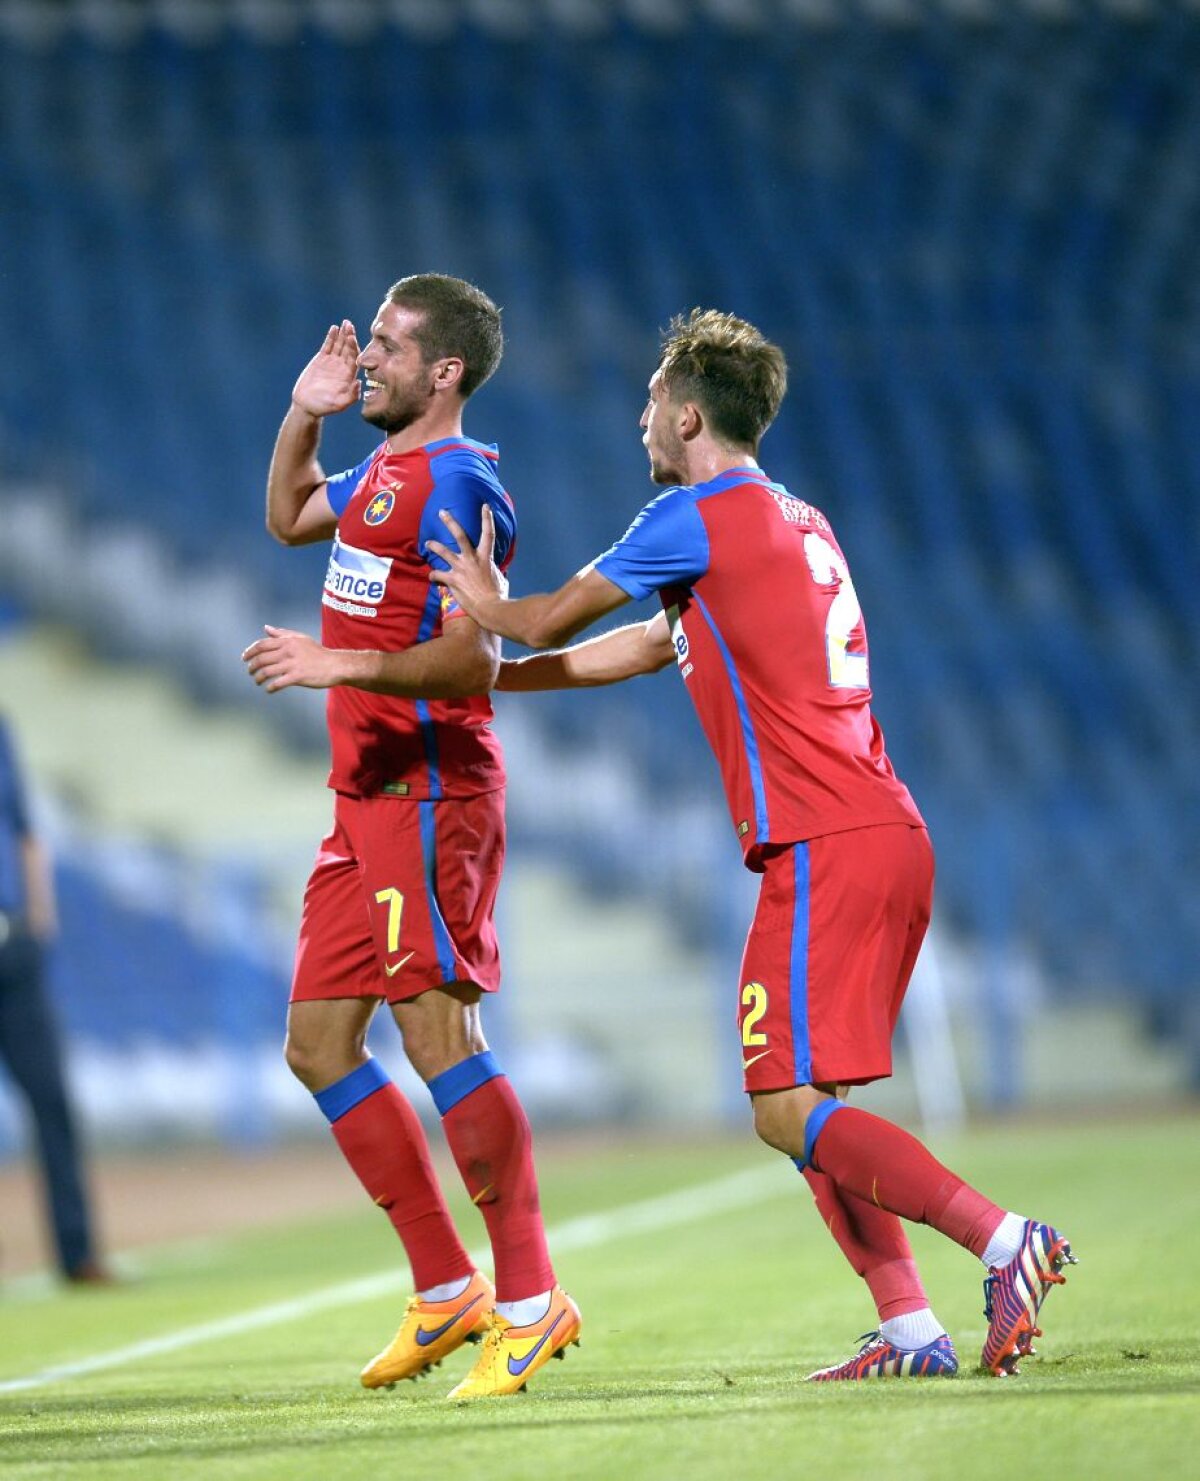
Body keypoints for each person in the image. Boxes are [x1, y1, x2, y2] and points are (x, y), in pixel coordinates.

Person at [427, 307, 1077, 1382]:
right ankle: (911, 1331)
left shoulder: (691, 512)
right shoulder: (798, 517)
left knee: (782, 1105)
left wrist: (486, 606)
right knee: (804, 1103)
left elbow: (543, 620)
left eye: (649, 398)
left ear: (688, 414)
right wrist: (498, 676)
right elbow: (639, 646)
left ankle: (1005, 1239)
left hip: (823, 840)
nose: (638, 415)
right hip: (882, 832)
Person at [240, 274, 579, 1401]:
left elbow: (473, 661)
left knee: (439, 1034)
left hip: (432, 796)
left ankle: (529, 1301)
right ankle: (446, 1287)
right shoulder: (382, 471)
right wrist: (308, 408)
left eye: (387, 344)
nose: (368, 354)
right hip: (362, 800)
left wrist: (340, 663)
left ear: (447, 372)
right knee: (319, 1044)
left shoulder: (459, 484)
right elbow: (290, 517)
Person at [0, 714, 112, 1285]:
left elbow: (23, 828)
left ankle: (79, 1253)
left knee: (52, 1102)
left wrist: (39, 917)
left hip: (13, 945)